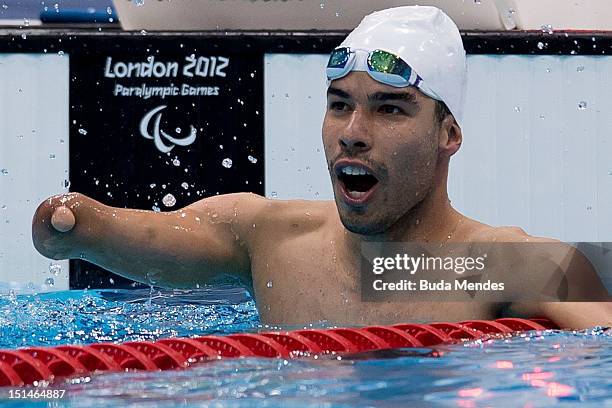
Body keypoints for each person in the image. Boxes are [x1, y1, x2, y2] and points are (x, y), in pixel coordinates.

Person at [32, 6, 610, 328]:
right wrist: (81, 228)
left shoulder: (496, 264)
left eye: (389, 109)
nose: (354, 134)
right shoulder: (272, 240)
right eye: (340, 105)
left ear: (448, 133)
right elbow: (157, 235)